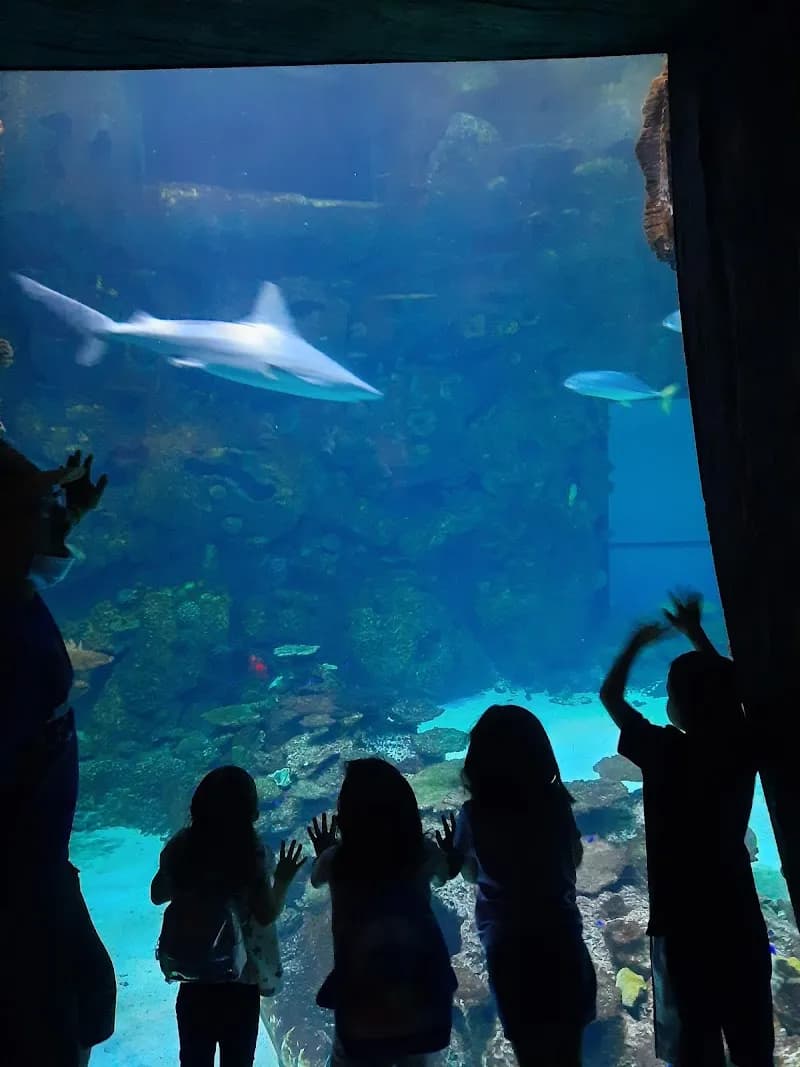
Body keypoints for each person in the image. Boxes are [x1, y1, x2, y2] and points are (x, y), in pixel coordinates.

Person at [599, 591, 774, 1067]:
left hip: (681, 922)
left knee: (694, 1046)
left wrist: (634, 645)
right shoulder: (740, 746)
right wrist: (696, 634)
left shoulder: (665, 752)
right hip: (737, 912)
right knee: (753, 1042)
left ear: (677, 705)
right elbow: (729, 692)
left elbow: (610, 697)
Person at [0, 440, 116, 1067]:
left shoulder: (16, 595)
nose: (53, 513)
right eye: (38, 506)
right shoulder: (8, 634)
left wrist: (63, 519)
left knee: (84, 1008)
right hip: (20, 886)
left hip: (41, 866)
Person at [439, 704, 596, 1067]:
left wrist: (454, 855)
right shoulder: (556, 806)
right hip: (564, 944)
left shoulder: (474, 815)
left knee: (531, 1054)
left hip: (512, 956)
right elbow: (573, 859)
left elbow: (469, 874)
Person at [151, 765, 305, 1067]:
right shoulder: (252, 854)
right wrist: (283, 879)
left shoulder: (181, 848)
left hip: (193, 977)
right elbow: (266, 914)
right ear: (250, 812)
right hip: (239, 981)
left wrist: (180, 869)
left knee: (194, 1059)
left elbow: (157, 895)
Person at [307, 758, 457, 1067]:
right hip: (421, 1002)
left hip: (362, 1007)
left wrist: (324, 850)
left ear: (347, 817)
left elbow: (316, 879)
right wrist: (450, 852)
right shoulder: (423, 853)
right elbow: (444, 875)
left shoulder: (336, 860)